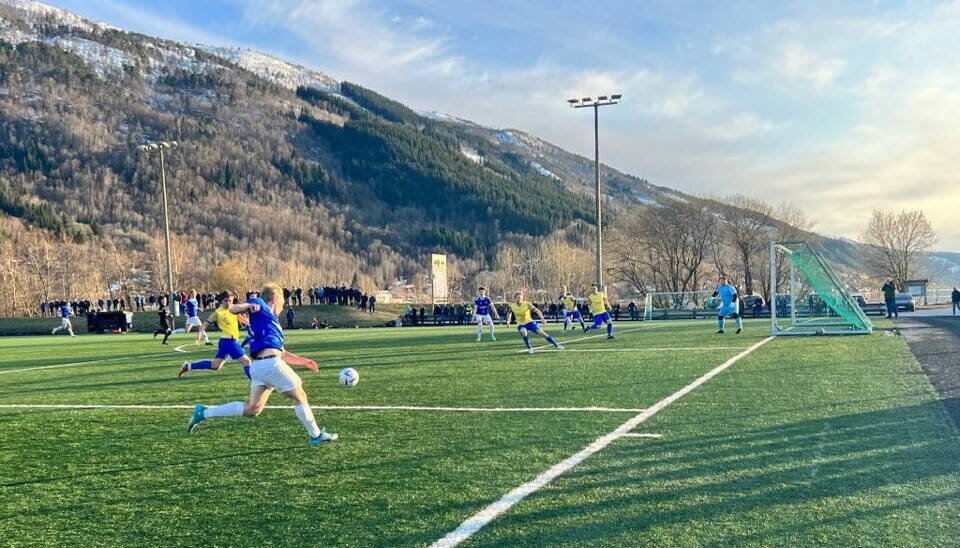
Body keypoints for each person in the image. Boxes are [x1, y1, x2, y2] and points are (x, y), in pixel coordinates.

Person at [186, 283, 337, 446]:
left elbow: (282, 353)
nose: (282, 306)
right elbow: (234, 309)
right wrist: (248, 306)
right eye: (282, 302)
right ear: (274, 299)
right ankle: (315, 435)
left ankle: (204, 412)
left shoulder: (270, 322)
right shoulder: (260, 304)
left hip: (259, 367)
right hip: (270, 365)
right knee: (300, 394)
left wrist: (305, 361)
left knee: (252, 409)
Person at [179, 291, 252, 378]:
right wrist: (199, 334)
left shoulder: (233, 309)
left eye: (230, 301)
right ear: (221, 301)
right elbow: (205, 323)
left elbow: (239, 317)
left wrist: (249, 324)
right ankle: (256, 383)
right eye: (226, 301)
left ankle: (188, 366)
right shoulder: (218, 313)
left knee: (215, 365)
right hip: (229, 341)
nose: (228, 303)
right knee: (247, 361)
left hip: (226, 341)